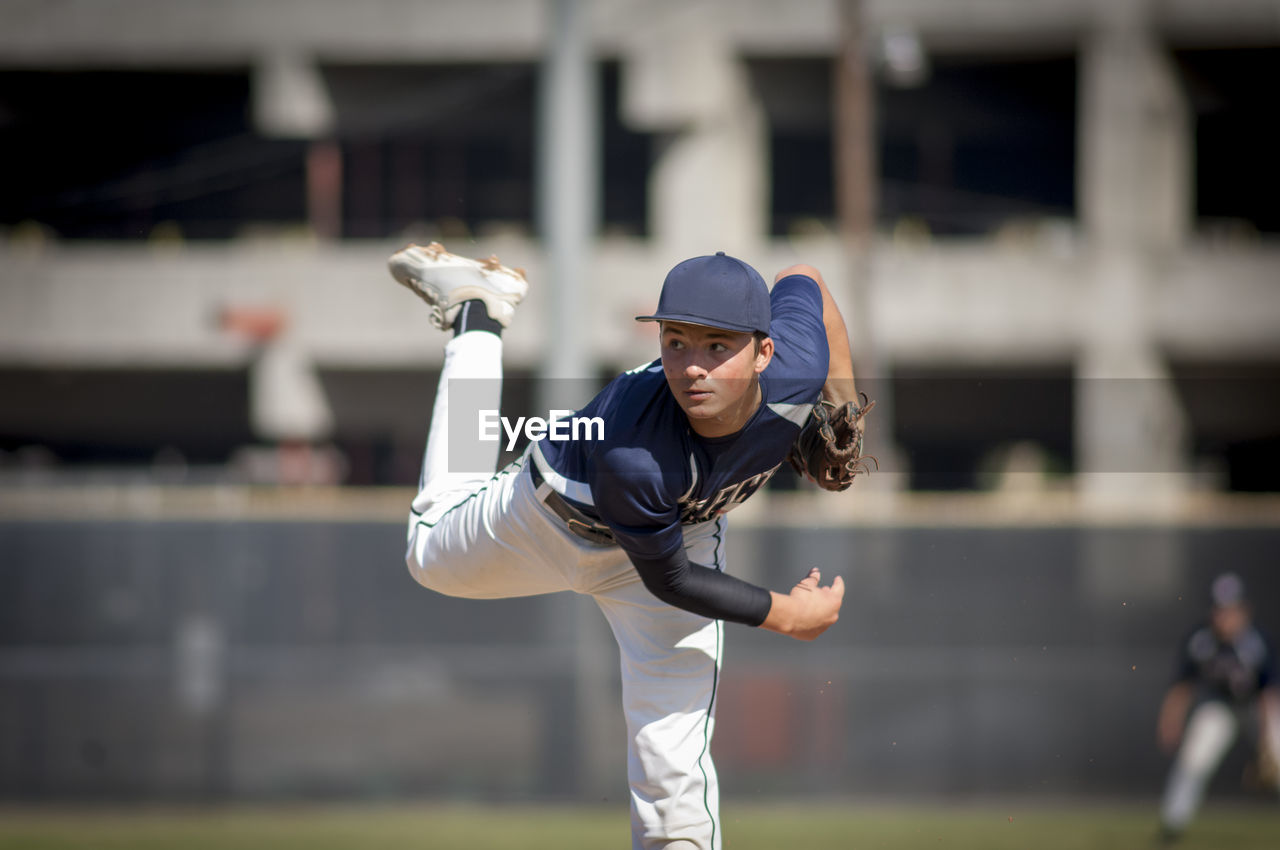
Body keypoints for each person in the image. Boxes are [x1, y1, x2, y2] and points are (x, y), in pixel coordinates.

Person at [389, 241, 860, 850]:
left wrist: (846, 410)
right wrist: (786, 613)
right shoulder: (636, 453)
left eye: (718, 346)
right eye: (676, 342)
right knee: (428, 556)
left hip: (679, 531)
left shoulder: (795, 367)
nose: (693, 366)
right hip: (549, 519)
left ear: (765, 350)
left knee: (673, 765)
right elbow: (671, 582)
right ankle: (479, 314)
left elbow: (808, 283)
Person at [1156, 572, 1280, 842]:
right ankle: (1172, 826)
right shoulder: (1201, 639)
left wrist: (1268, 739)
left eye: (1231, 610)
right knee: (1193, 757)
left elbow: (1267, 694)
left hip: (1256, 707)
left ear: (1244, 609)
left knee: (1279, 757)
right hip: (1220, 707)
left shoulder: (1257, 641)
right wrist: (1171, 720)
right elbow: (1182, 686)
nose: (1224, 617)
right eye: (1220, 610)